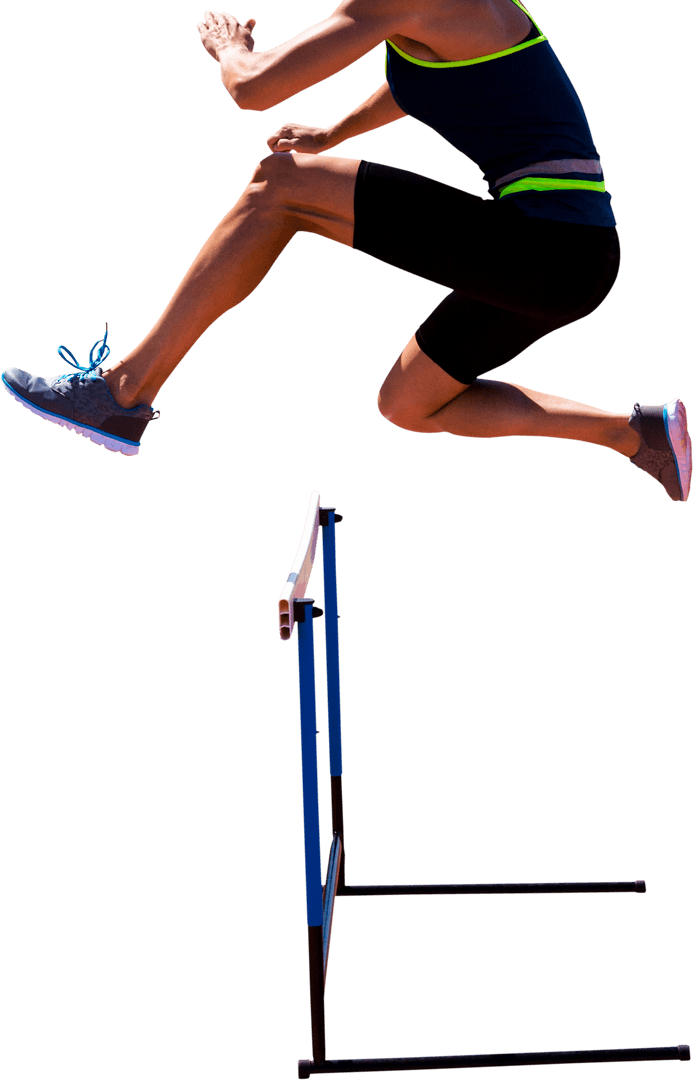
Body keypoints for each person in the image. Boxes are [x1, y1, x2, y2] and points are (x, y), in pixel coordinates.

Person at [2, 1, 690, 501]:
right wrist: (333, 133)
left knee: (279, 188)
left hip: (548, 248)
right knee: (408, 403)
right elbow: (421, 79)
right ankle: (639, 437)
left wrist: (227, 48)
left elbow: (252, 88)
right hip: (569, 260)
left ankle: (123, 392)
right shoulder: (443, 13)